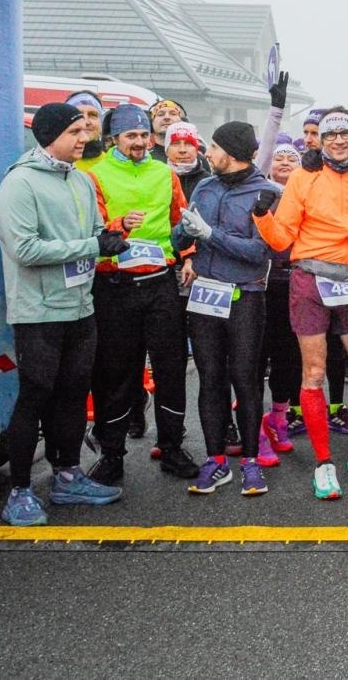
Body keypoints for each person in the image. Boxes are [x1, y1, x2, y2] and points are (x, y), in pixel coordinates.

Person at [0, 103, 127, 525]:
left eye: (85, 130)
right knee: (35, 395)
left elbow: (91, 234)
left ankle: (68, 475)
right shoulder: (19, 184)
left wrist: (110, 239)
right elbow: (24, 250)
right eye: (75, 132)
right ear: (50, 135)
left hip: (80, 306)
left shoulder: (80, 179)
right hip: (38, 311)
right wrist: (92, 246)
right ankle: (18, 491)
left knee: (73, 394)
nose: (85, 138)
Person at [254, 106, 348, 501]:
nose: (338, 140)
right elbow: (282, 238)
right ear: (321, 139)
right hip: (308, 278)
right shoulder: (304, 175)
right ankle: (323, 461)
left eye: (345, 134)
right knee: (313, 372)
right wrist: (262, 215)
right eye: (330, 134)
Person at [84, 104, 198, 485]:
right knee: (115, 373)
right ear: (113, 138)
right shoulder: (96, 176)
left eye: (144, 135)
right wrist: (121, 226)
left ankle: (172, 447)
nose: (139, 142)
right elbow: (92, 230)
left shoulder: (165, 173)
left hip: (160, 284)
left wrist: (188, 255)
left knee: (171, 368)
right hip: (115, 285)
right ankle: (112, 454)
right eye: (130, 136)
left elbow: (180, 220)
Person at [174, 121, 278, 496]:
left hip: (244, 295)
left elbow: (259, 252)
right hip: (204, 294)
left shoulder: (267, 193)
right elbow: (178, 239)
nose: (208, 153)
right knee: (210, 377)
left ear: (231, 153)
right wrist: (184, 231)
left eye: (215, 147)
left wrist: (210, 235)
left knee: (245, 378)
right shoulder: (205, 186)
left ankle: (250, 461)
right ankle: (216, 460)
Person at [261, 136, 303, 449]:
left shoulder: (306, 194)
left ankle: (278, 417)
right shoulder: (259, 191)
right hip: (261, 284)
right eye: (279, 158)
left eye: (292, 158)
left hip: (296, 283)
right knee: (256, 355)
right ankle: (252, 422)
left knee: (287, 356)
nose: (285, 162)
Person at [164, 121, 211, 200]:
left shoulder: (209, 183)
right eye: (175, 144)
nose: (182, 150)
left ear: (196, 149)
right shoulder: (157, 178)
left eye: (188, 144)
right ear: (167, 149)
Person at [147, 99, 186, 163]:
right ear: (151, 123)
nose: (167, 117)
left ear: (183, 122)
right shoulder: (141, 155)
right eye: (160, 114)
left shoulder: (193, 155)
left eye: (173, 114)